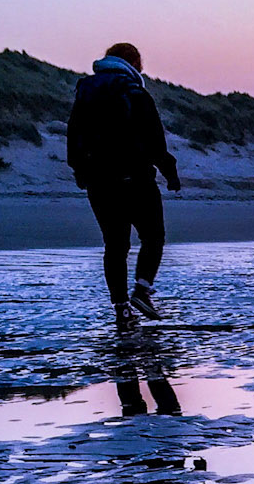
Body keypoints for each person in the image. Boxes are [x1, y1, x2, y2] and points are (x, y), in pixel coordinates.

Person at [67, 42, 181, 326]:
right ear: (133, 62)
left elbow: (74, 133)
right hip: (136, 178)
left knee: (115, 246)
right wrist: (170, 171)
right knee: (153, 237)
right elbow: (154, 138)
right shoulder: (133, 90)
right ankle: (142, 290)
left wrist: (80, 171)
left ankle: (122, 309)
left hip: (99, 182)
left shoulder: (86, 90)